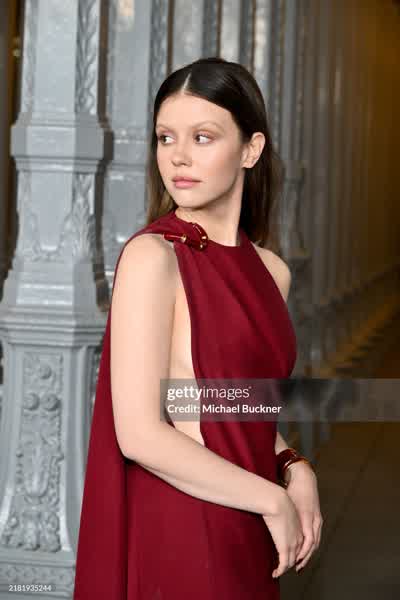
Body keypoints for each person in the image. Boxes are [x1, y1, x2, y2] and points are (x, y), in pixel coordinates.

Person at [73, 56, 323, 600]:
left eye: (202, 137)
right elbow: (139, 434)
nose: (178, 156)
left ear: (251, 150)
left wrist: (292, 466)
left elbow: (235, 406)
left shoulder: (272, 272)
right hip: (184, 522)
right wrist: (271, 498)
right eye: (166, 137)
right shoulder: (153, 258)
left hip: (249, 521)